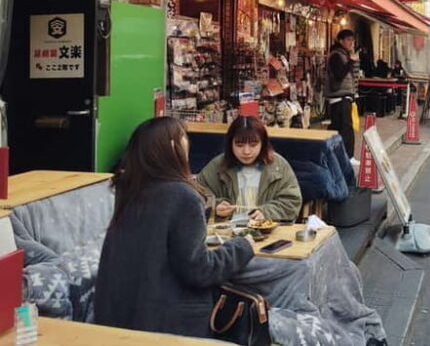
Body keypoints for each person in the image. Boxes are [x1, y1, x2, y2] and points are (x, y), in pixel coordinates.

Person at [95, 117, 255, 338]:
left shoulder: (128, 189)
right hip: (168, 326)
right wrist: (242, 246)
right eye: (184, 138)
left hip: (118, 321)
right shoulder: (182, 196)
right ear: (173, 146)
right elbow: (199, 270)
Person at [197, 116, 303, 222]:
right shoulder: (217, 166)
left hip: (269, 232)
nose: (246, 151)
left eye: (253, 145)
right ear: (230, 144)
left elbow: (292, 202)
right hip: (227, 232)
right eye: (239, 145)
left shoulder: (278, 166)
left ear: (263, 144)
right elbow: (197, 195)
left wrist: (266, 212)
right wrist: (215, 206)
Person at [325, 29, 360, 160]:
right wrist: (350, 62)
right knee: (345, 128)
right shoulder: (336, 55)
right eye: (349, 40)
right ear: (341, 41)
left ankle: (338, 156)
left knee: (340, 127)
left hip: (344, 96)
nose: (351, 43)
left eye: (352, 40)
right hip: (339, 97)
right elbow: (339, 75)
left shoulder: (344, 54)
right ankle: (347, 157)